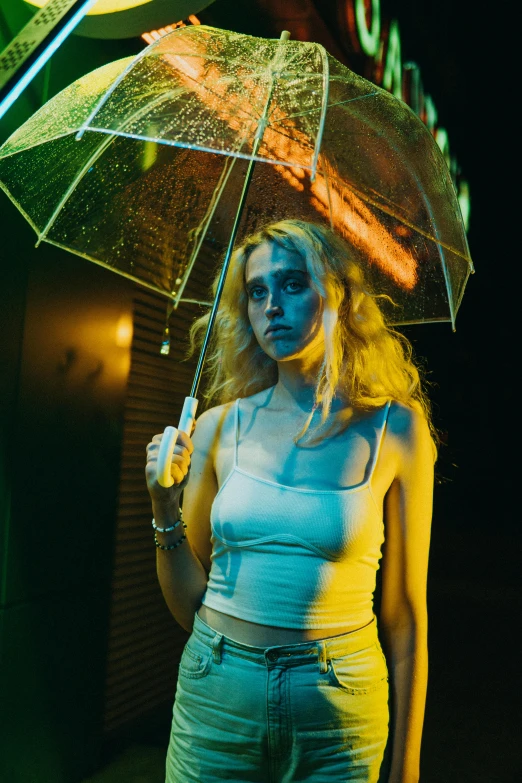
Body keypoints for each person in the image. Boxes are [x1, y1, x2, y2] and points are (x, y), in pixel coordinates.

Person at [145, 220, 435, 783]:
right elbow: (189, 607)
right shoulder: (216, 427)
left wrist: (407, 766)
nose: (271, 306)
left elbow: (404, 617)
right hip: (217, 699)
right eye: (257, 291)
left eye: (292, 284)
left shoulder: (395, 430)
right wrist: (163, 506)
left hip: (339, 712)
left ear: (337, 296)